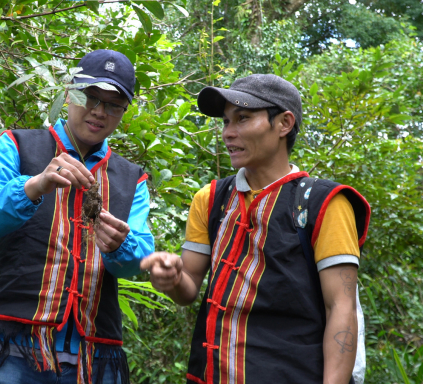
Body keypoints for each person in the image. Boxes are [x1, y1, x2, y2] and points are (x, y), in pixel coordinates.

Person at [140, 74, 370, 384]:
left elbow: (340, 306)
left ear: (284, 124)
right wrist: (171, 277)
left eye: (243, 119)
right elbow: (190, 286)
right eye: (225, 122)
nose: (228, 133)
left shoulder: (324, 203)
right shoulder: (210, 200)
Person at [0, 49, 154, 384]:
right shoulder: (17, 145)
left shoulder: (131, 177)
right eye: (90, 97)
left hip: (95, 361)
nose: (98, 112)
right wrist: (33, 187)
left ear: (123, 112)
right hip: (10, 350)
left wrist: (121, 247)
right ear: (69, 94)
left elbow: (141, 262)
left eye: (112, 105)